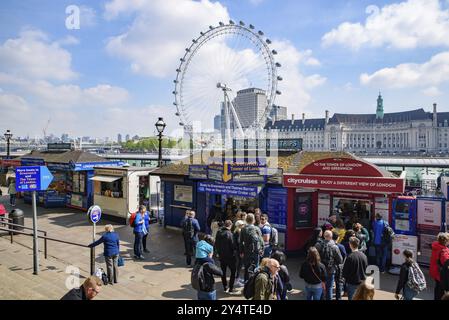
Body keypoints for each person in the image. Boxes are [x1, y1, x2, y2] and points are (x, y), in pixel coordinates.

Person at [315, 230, 343, 300]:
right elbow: (340, 260)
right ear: (331, 237)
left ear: (324, 236)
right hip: (331, 270)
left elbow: (314, 257)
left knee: (320, 286)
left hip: (320, 269)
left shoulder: (318, 245)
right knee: (329, 288)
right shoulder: (335, 247)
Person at [239, 213, 264, 281]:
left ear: (246, 220)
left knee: (247, 267)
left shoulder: (243, 229)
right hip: (256, 251)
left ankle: (246, 282)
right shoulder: (257, 229)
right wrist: (262, 250)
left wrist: (241, 252)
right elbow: (261, 241)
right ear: (253, 220)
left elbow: (241, 242)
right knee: (256, 267)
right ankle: (255, 282)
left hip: (246, 251)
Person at [215, 220, 237, 293]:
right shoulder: (230, 234)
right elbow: (233, 246)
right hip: (230, 257)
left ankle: (225, 287)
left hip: (222, 256)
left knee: (223, 272)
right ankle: (231, 288)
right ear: (230, 225)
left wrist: (218, 253)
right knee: (233, 272)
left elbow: (216, 244)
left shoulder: (218, 232)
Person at [429, 232, 449, 300]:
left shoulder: (436, 245)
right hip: (442, 275)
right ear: (445, 241)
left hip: (435, 271)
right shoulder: (444, 251)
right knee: (441, 292)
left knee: (437, 288)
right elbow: (446, 264)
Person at [332, 231, 347, 300]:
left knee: (330, 283)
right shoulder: (341, 246)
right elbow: (344, 256)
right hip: (339, 266)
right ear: (338, 238)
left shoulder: (329, 245)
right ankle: (338, 297)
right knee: (339, 283)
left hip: (331, 266)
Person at [233, 220, 246, 287]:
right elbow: (239, 243)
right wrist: (241, 252)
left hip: (237, 251)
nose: (244, 225)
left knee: (238, 265)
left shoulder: (236, 231)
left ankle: (237, 278)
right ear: (240, 225)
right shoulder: (239, 232)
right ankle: (237, 280)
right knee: (239, 265)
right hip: (239, 252)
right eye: (243, 224)